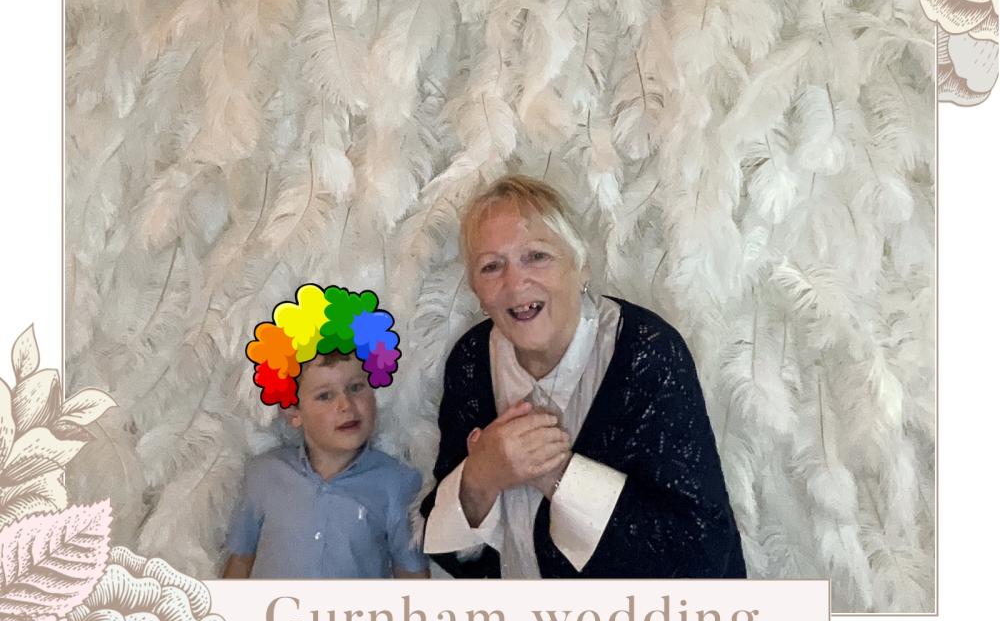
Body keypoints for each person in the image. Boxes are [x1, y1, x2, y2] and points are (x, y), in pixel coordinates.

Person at [421, 175, 746, 579]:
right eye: (492, 266)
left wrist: (553, 473)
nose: (515, 283)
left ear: (581, 266)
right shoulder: (471, 360)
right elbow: (456, 556)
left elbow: (701, 556)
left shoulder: (646, 353)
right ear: (476, 290)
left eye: (536, 256)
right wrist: (480, 477)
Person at [223, 351, 430, 579]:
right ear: (294, 413)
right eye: (325, 396)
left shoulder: (398, 482)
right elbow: (240, 561)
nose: (346, 405)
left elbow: (412, 577)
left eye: (356, 388)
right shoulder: (264, 474)